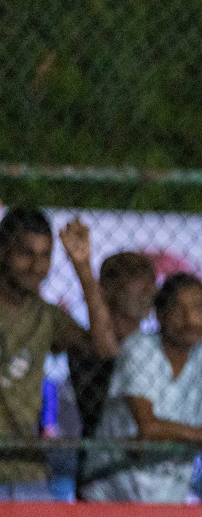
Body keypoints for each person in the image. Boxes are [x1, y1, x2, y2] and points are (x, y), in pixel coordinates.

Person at [80, 274, 202, 503]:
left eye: (198, 308)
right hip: (112, 491)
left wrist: (172, 432)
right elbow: (149, 427)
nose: (190, 319)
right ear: (159, 314)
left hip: (170, 496)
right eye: (178, 309)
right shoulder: (139, 348)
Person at [0, 208, 117, 499]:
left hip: (25, 471)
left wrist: (83, 269)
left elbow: (104, 348)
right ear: (3, 252)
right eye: (25, 253)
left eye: (45, 255)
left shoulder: (47, 317)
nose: (37, 266)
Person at [69, 250, 157, 436]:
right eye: (136, 279)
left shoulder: (155, 347)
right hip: (104, 451)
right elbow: (109, 353)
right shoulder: (86, 346)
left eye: (151, 281)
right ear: (108, 289)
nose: (149, 290)